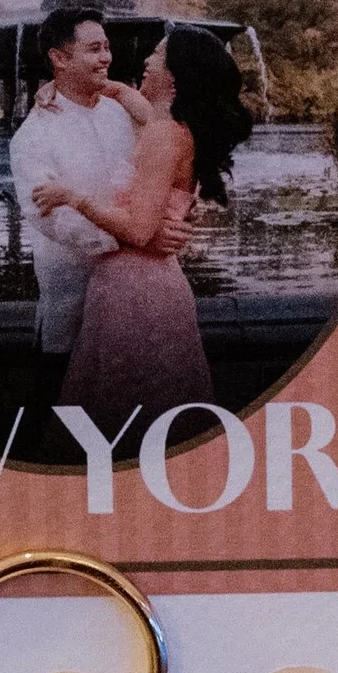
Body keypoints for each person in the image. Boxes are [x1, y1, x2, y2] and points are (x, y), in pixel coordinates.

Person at [42, 26, 255, 444]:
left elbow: (140, 230)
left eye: (156, 55)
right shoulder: (177, 126)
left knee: (120, 430)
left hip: (134, 293)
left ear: (174, 75)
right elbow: (123, 93)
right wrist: (55, 86)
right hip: (147, 286)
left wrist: (73, 198)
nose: (145, 61)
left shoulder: (163, 134)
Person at [7, 10, 135, 374]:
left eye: (107, 47)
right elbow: (51, 218)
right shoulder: (34, 136)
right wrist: (132, 239)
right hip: (73, 304)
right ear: (59, 58)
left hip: (135, 299)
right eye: (94, 49)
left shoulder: (121, 114)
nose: (106, 57)